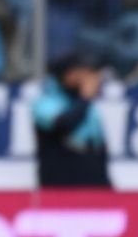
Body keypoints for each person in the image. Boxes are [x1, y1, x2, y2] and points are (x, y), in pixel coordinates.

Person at [33, 54, 111, 187]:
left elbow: (97, 146)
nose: (87, 78)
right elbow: (64, 125)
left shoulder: (89, 106)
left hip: (95, 181)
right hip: (60, 186)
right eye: (81, 72)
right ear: (66, 75)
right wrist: (85, 98)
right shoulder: (44, 104)